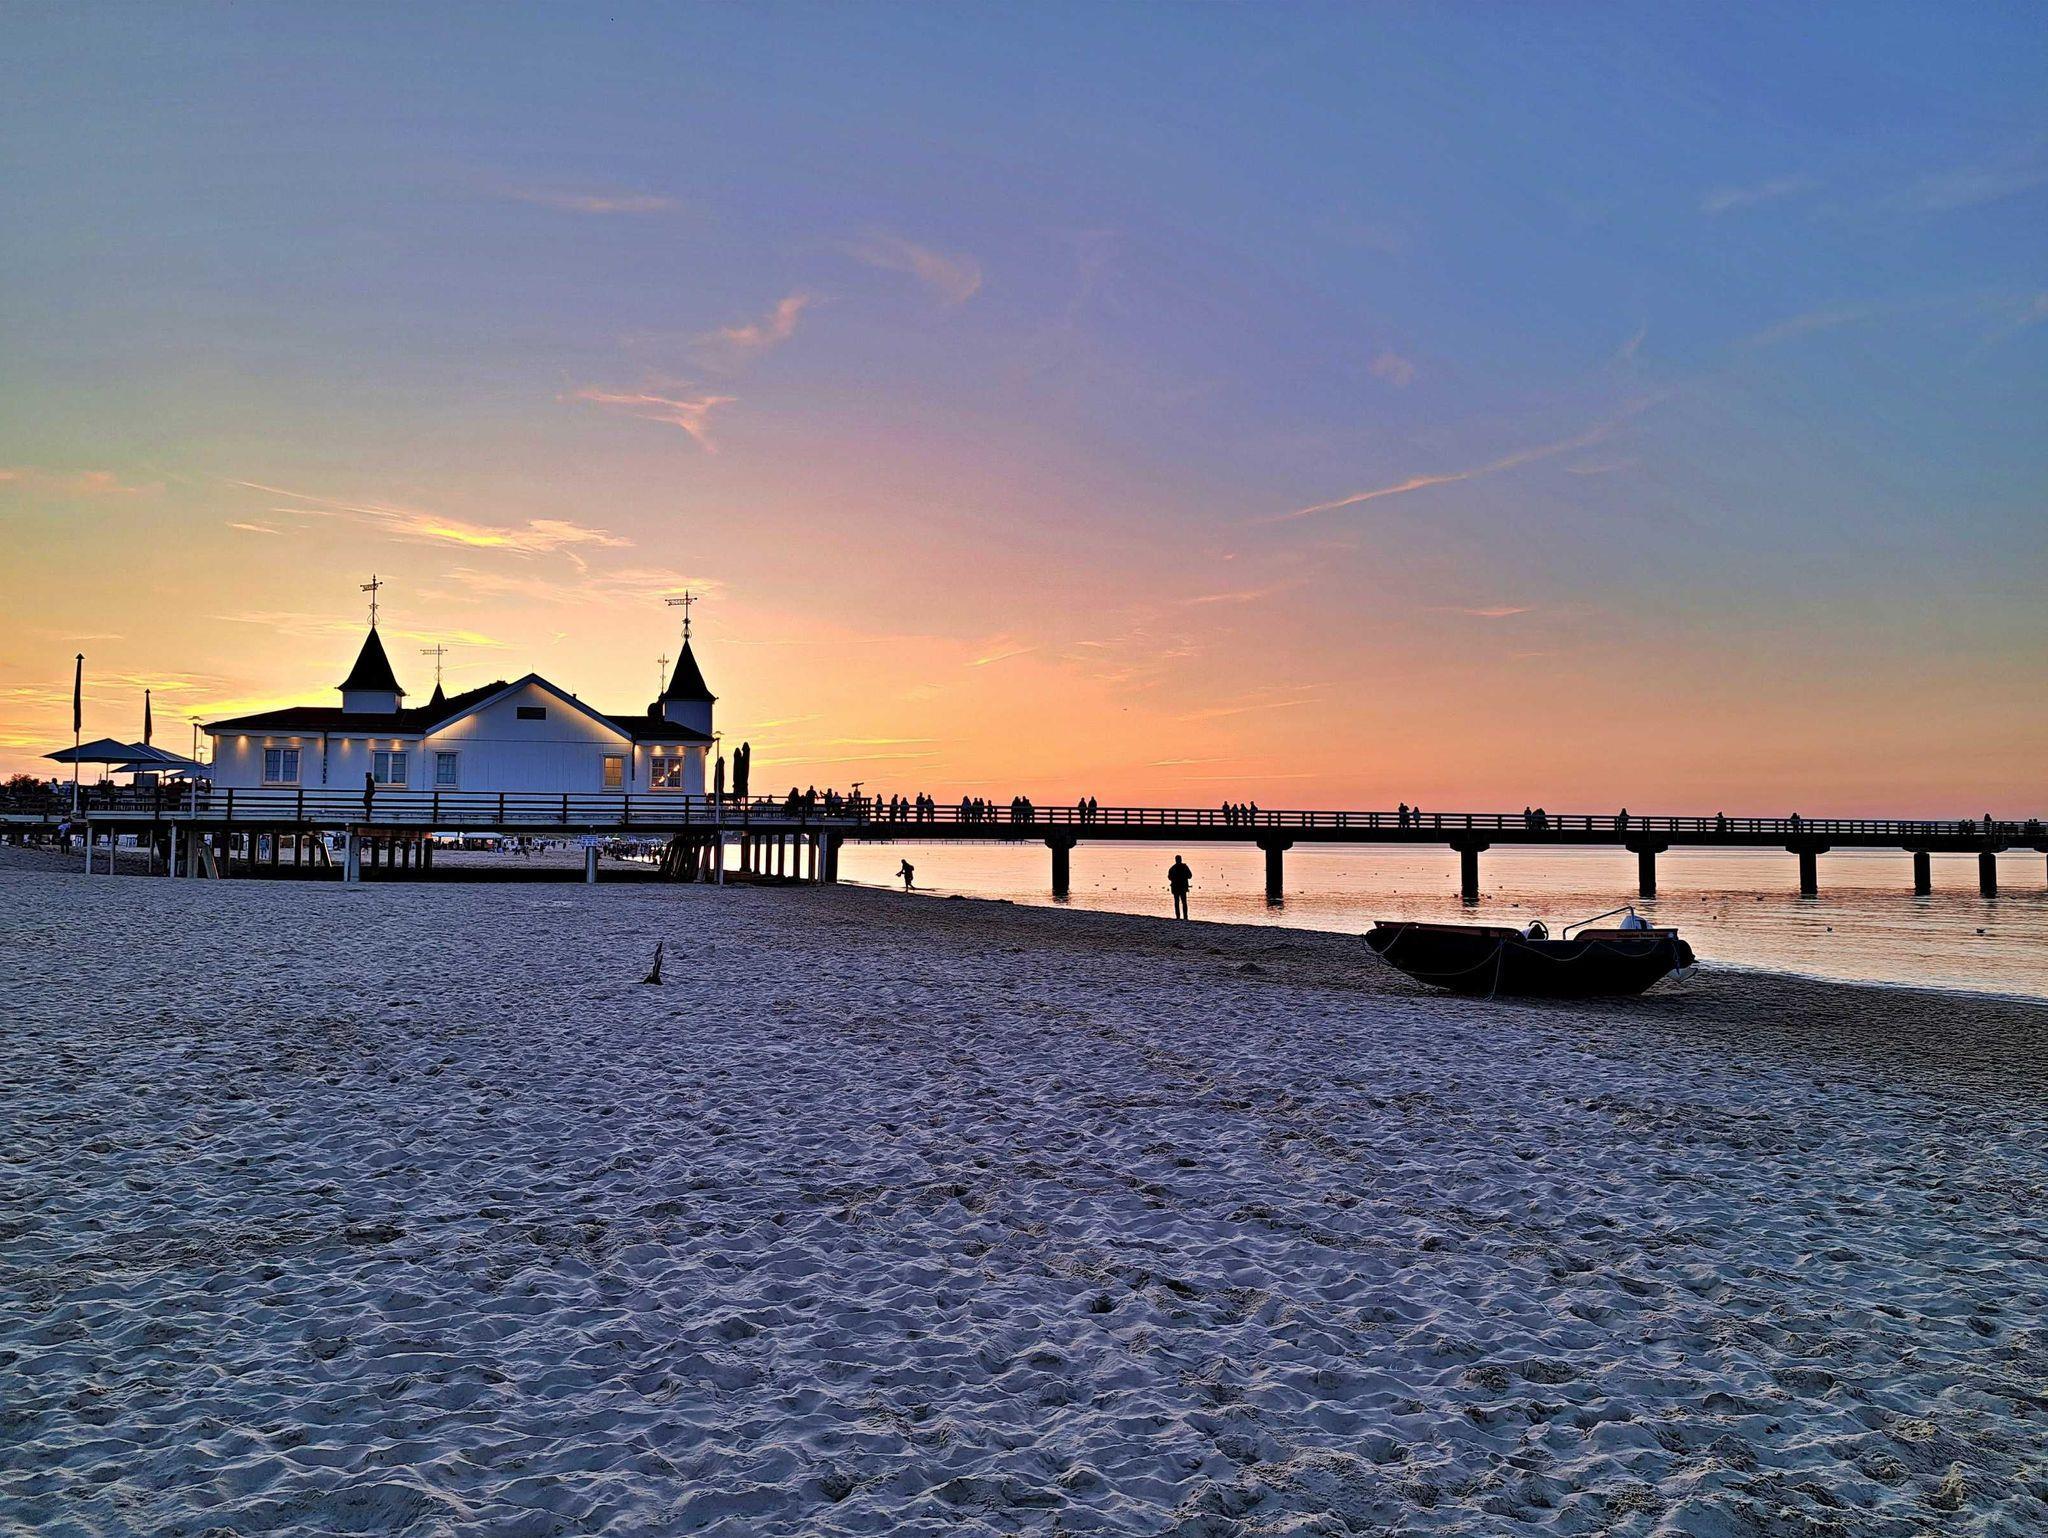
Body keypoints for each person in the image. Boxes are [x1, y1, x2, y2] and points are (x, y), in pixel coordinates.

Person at [1167, 854, 1192, 920]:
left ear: (1176, 860)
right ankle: (1185, 917)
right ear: (1181, 859)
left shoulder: (1173, 868)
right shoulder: (1184, 867)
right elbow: (1190, 876)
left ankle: (1178, 917)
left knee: (1177, 902)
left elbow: (1169, 877)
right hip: (1181, 887)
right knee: (1183, 903)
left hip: (1176, 888)